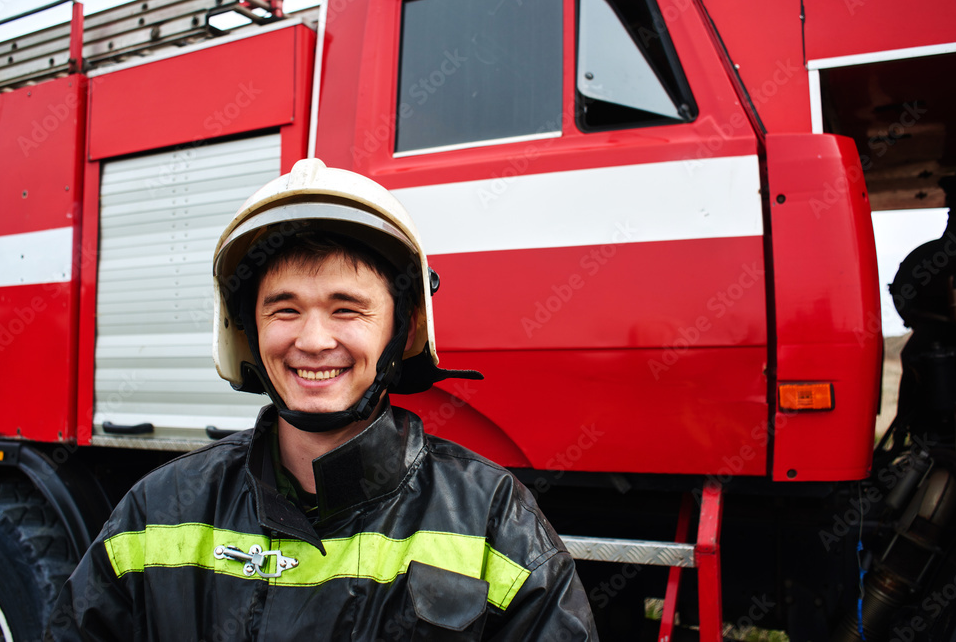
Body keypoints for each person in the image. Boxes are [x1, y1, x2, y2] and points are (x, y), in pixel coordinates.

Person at [46, 159, 598, 640]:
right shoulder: (155, 515)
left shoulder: (496, 523)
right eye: (284, 309)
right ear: (249, 331)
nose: (312, 341)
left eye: (346, 309)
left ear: (402, 332)